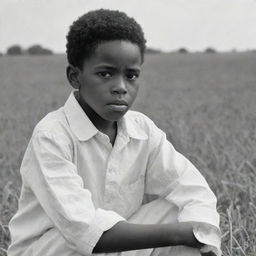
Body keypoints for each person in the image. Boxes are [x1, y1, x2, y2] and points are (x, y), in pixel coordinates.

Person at [7, 9, 221, 256]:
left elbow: (194, 191)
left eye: (131, 76)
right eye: (105, 73)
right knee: (184, 228)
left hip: (115, 247)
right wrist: (182, 233)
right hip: (54, 249)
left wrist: (199, 237)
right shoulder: (52, 136)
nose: (121, 87)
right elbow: (84, 231)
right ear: (75, 77)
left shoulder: (143, 131)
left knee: (180, 209)